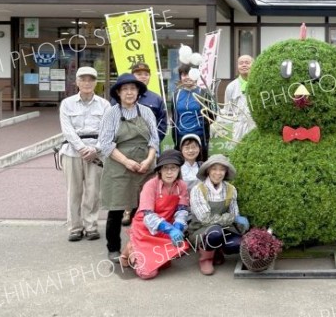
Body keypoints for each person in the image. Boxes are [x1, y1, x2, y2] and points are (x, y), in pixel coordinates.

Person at [97, 73, 159, 262]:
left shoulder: (146, 112)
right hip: (119, 166)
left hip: (144, 165)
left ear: (138, 92)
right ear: (118, 92)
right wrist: (127, 162)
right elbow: (106, 144)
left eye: (133, 89)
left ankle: (139, 244)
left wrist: (149, 161)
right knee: (116, 209)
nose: (130, 93)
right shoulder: (112, 113)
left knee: (142, 208)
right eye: (125, 89)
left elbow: (154, 140)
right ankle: (113, 247)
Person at [119, 149, 190, 279]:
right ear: (159, 170)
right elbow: (148, 215)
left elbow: (182, 209)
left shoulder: (182, 186)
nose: (169, 172)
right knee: (147, 273)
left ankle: (138, 250)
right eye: (165, 168)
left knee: (166, 263)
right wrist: (169, 230)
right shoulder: (150, 185)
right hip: (145, 228)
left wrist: (178, 227)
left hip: (165, 229)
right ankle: (131, 249)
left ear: (179, 170)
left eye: (173, 168)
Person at [59, 66, 110, 242]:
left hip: (96, 153)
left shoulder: (104, 104)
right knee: (74, 191)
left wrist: (95, 149)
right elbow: (67, 130)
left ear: (96, 82)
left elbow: (107, 131)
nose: (87, 83)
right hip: (72, 153)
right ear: (77, 82)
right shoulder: (67, 103)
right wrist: (82, 148)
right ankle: (75, 227)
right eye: (83, 79)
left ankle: (91, 226)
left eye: (91, 79)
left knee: (93, 191)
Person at [120, 61, 169, 227]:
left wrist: (153, 145)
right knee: (127, 180)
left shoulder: (156, 98)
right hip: (127, 147)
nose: (142, 76)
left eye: (145, 73)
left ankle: (146, 211)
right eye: (139, 73)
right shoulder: (120, 97)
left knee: (149, 180)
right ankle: (127, 210)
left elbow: (163, 123)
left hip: (150, 148)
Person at [187, 154, 249, 275]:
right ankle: (206, 259)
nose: (218, 173)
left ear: (226, 172)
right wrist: (233, 218)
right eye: (214, 169)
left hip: (224, 229)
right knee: (215, 232)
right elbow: (205, 219)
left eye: (222, 169)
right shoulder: (198, 189)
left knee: (238, 243)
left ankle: (217, 251)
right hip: (201, 230)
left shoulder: (231, 189)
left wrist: (243, 227)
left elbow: (235, 213)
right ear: (208, 170)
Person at [171, 64, 213, 160]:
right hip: (181, 137)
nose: (187, 77)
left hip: (200, 138)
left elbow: (212, 116)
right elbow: (174, 117)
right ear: (180, 77)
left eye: (190, 74)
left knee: (200, 167)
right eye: (184, 75)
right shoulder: (176, 95)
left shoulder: (204, 93)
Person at [223, 55, 256, 142]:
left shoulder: (259, 84)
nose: (244, 65)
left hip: (256, 126)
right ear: (237, 67)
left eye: (247, 63)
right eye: (241, 63)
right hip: (238, 128)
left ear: (254, 65)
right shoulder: (231, 87)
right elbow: (227, 111)